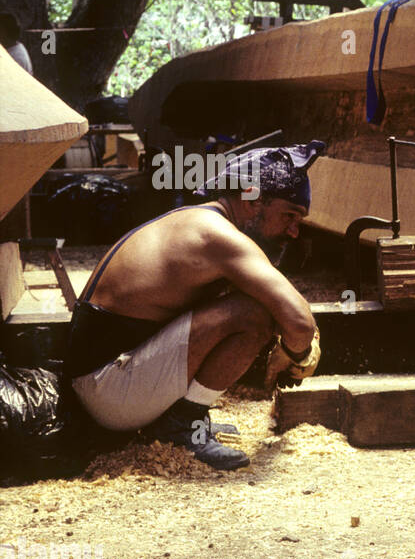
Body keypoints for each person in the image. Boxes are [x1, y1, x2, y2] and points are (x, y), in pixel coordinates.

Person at [63, 141, 327, 470]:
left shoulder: (198, 219)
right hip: (106, 391)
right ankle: (182, 425)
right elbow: (300, 322)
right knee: (253, 313)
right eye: (289, 214)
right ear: (251, 198)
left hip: (104, 379)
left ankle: (185, 416)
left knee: (256, 303)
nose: (294, 230)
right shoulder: (217, 236)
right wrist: (298, 354)